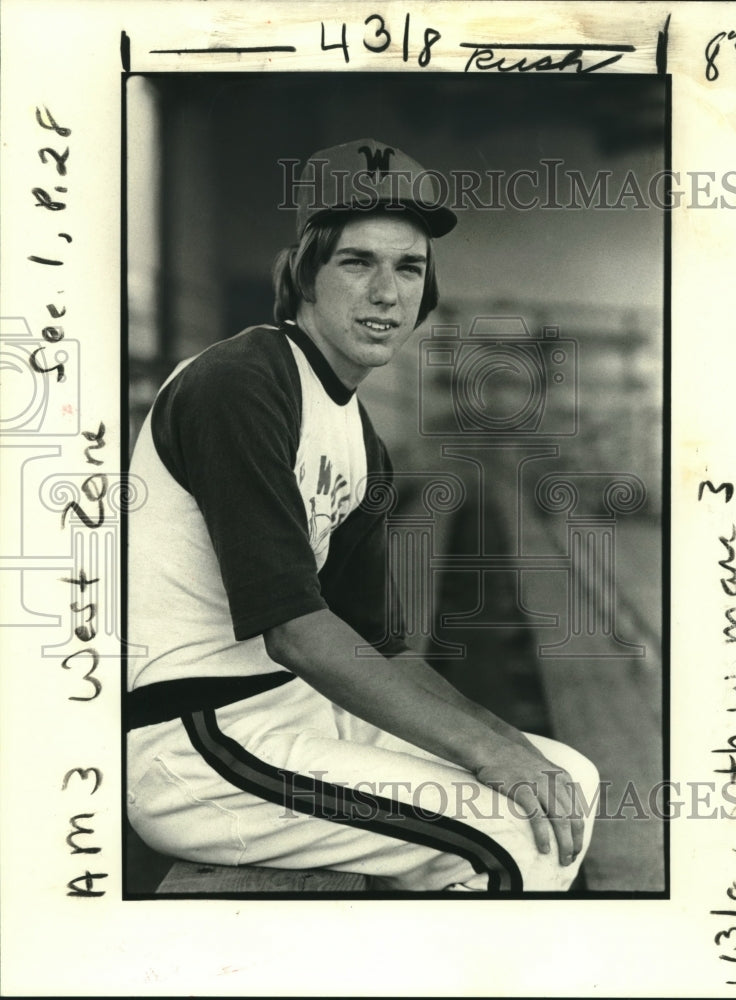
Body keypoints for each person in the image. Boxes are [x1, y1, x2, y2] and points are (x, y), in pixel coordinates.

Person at [126, 138, 599, 892]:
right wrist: (486, 757)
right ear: (305, 274)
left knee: (568, 777)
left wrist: (508, 743)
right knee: (512, 837)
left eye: (408, 268)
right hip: (204, 744)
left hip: (300, 717)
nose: (387, 292)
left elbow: (385, 649)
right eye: (357, 262)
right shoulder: (243, 382)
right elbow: (297, 631)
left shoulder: (357, 435)